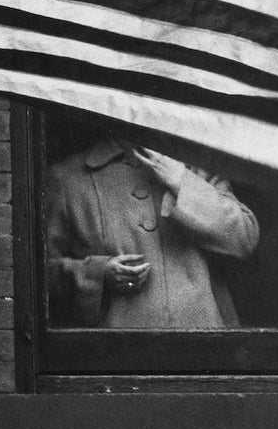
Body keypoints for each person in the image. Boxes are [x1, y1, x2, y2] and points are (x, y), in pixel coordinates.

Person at [44, 136, 259, 329]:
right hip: (116, 351)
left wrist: (182, 181)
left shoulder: (197, 167)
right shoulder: (68, 177)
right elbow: (39, 275)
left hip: (203, 346)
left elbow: (244, 238)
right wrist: (98, 274)